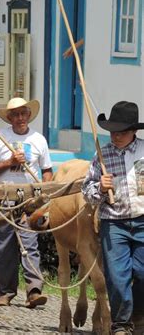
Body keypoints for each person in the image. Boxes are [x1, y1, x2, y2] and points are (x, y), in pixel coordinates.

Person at [0, 97, 53, 308]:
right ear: (10, 118)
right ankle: (5, 291)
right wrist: (9, 162)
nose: (20, 118)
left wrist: (44, 191)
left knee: (30, 245)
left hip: (29, 200)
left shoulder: (39, 139)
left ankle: (33, 290)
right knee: (4, 247)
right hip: (5, 199)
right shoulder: (0, 137)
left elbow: (47, 170)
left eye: (23, 113)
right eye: (16, 115)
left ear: (29, 116)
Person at [82, 101, 144, 335]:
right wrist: (99, 186)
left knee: (142, 273)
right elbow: (86, 192)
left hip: (142, 220)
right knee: (117, 277)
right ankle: (121, 324)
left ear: (134, 132)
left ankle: (139, 313)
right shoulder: (102, 155)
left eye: (123, 132)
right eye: (113, 132)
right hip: (114, 223)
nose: (116, 136)